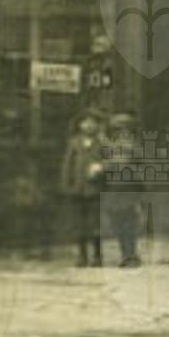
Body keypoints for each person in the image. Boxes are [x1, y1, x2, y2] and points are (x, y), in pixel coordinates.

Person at [59, 109, 104, 267]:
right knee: (79, 223)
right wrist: (66, 185)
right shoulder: (74, 143)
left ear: (97, 126)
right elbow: (67, 165)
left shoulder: (102, 143)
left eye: (92, 122)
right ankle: (82, 256)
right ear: (80, 125)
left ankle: (97, 256)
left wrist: (101, 167)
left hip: (95, 189)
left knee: (95, 223)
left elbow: (111, 162)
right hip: (78, 188)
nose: (88, 125)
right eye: (85, 122)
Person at [102, 109, 143, 267]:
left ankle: (130, 255)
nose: (121, 132)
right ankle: (125, 254)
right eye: (118, 129)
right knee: (117, 220)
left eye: (125, 128)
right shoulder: (107, 145)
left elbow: (134, 163)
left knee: (129, 221)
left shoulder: (133, 145)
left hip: (129, 187)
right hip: (113, 187)